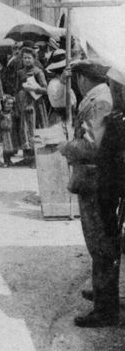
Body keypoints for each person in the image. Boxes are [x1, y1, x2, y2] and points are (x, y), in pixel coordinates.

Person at [60, 60, 115, 327]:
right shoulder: (99, 97)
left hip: (95, 181)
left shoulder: (100, 101)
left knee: (100, 243)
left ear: (83, 79)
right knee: (99, 242)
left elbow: (93, 147)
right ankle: (103, 293)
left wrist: (67, 147)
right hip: (96, 180)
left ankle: (105, 308)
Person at [15, 46, 48, 167]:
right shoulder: (20, 72)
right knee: (24, 129)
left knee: (34, 129)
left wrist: (34, 88)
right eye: (24, 58)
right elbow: (17, 88)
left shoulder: (38, 72)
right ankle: (27, 157)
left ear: (34, 59)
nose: (27, 60)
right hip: (23, 104)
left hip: (36, 105)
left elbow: (46, 89)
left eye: (29, 58)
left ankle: (36, 159)